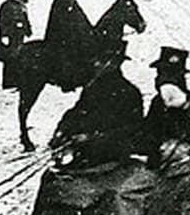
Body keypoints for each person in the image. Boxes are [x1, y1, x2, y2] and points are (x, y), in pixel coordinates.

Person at [50, 37, 144, 167]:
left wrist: (91, 138)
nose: (95, 64)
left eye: (100, 61)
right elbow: (76, 112)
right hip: (85, 151)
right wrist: (62, 130)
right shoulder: (92, 88)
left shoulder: (129, 92)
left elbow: (131, 129)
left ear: (114, 63)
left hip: (112, 156)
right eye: (96, 61)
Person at [143, 46, 190, 160]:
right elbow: (148, 133)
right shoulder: (158, 102)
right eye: (161, 73)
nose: (160, 78)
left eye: (167, 74)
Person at [42, 0, 92, 93]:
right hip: (62, 39)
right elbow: (64, 23)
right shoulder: (63, 0)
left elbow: (81, 18)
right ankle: (69, 81)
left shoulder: (69, 0)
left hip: (67, 36)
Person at [0, 0, 31, 90]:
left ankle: (17, 81)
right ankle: (9, 83)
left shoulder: (20, 5)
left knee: (17, 57)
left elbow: (25, 18)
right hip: (10, 36)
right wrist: (4, 35)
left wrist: (27, 29)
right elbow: (2, 22)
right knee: (9, 59)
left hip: (19, 36)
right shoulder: (6, 6)